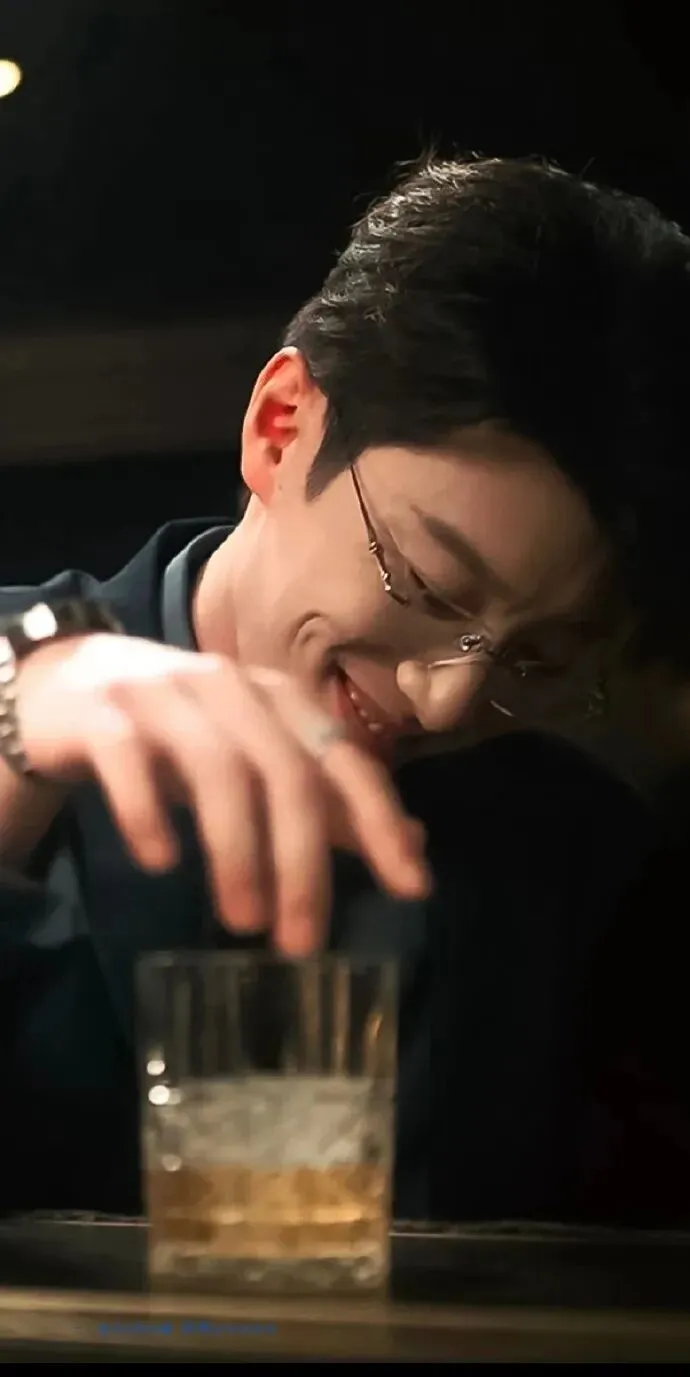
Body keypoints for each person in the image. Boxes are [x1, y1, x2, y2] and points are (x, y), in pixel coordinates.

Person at [0, 154, 687, 1222]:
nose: (447, 701)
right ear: (280, 427)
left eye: (539, 658)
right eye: (427, 582)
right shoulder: (36, 684)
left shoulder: (581, 856)